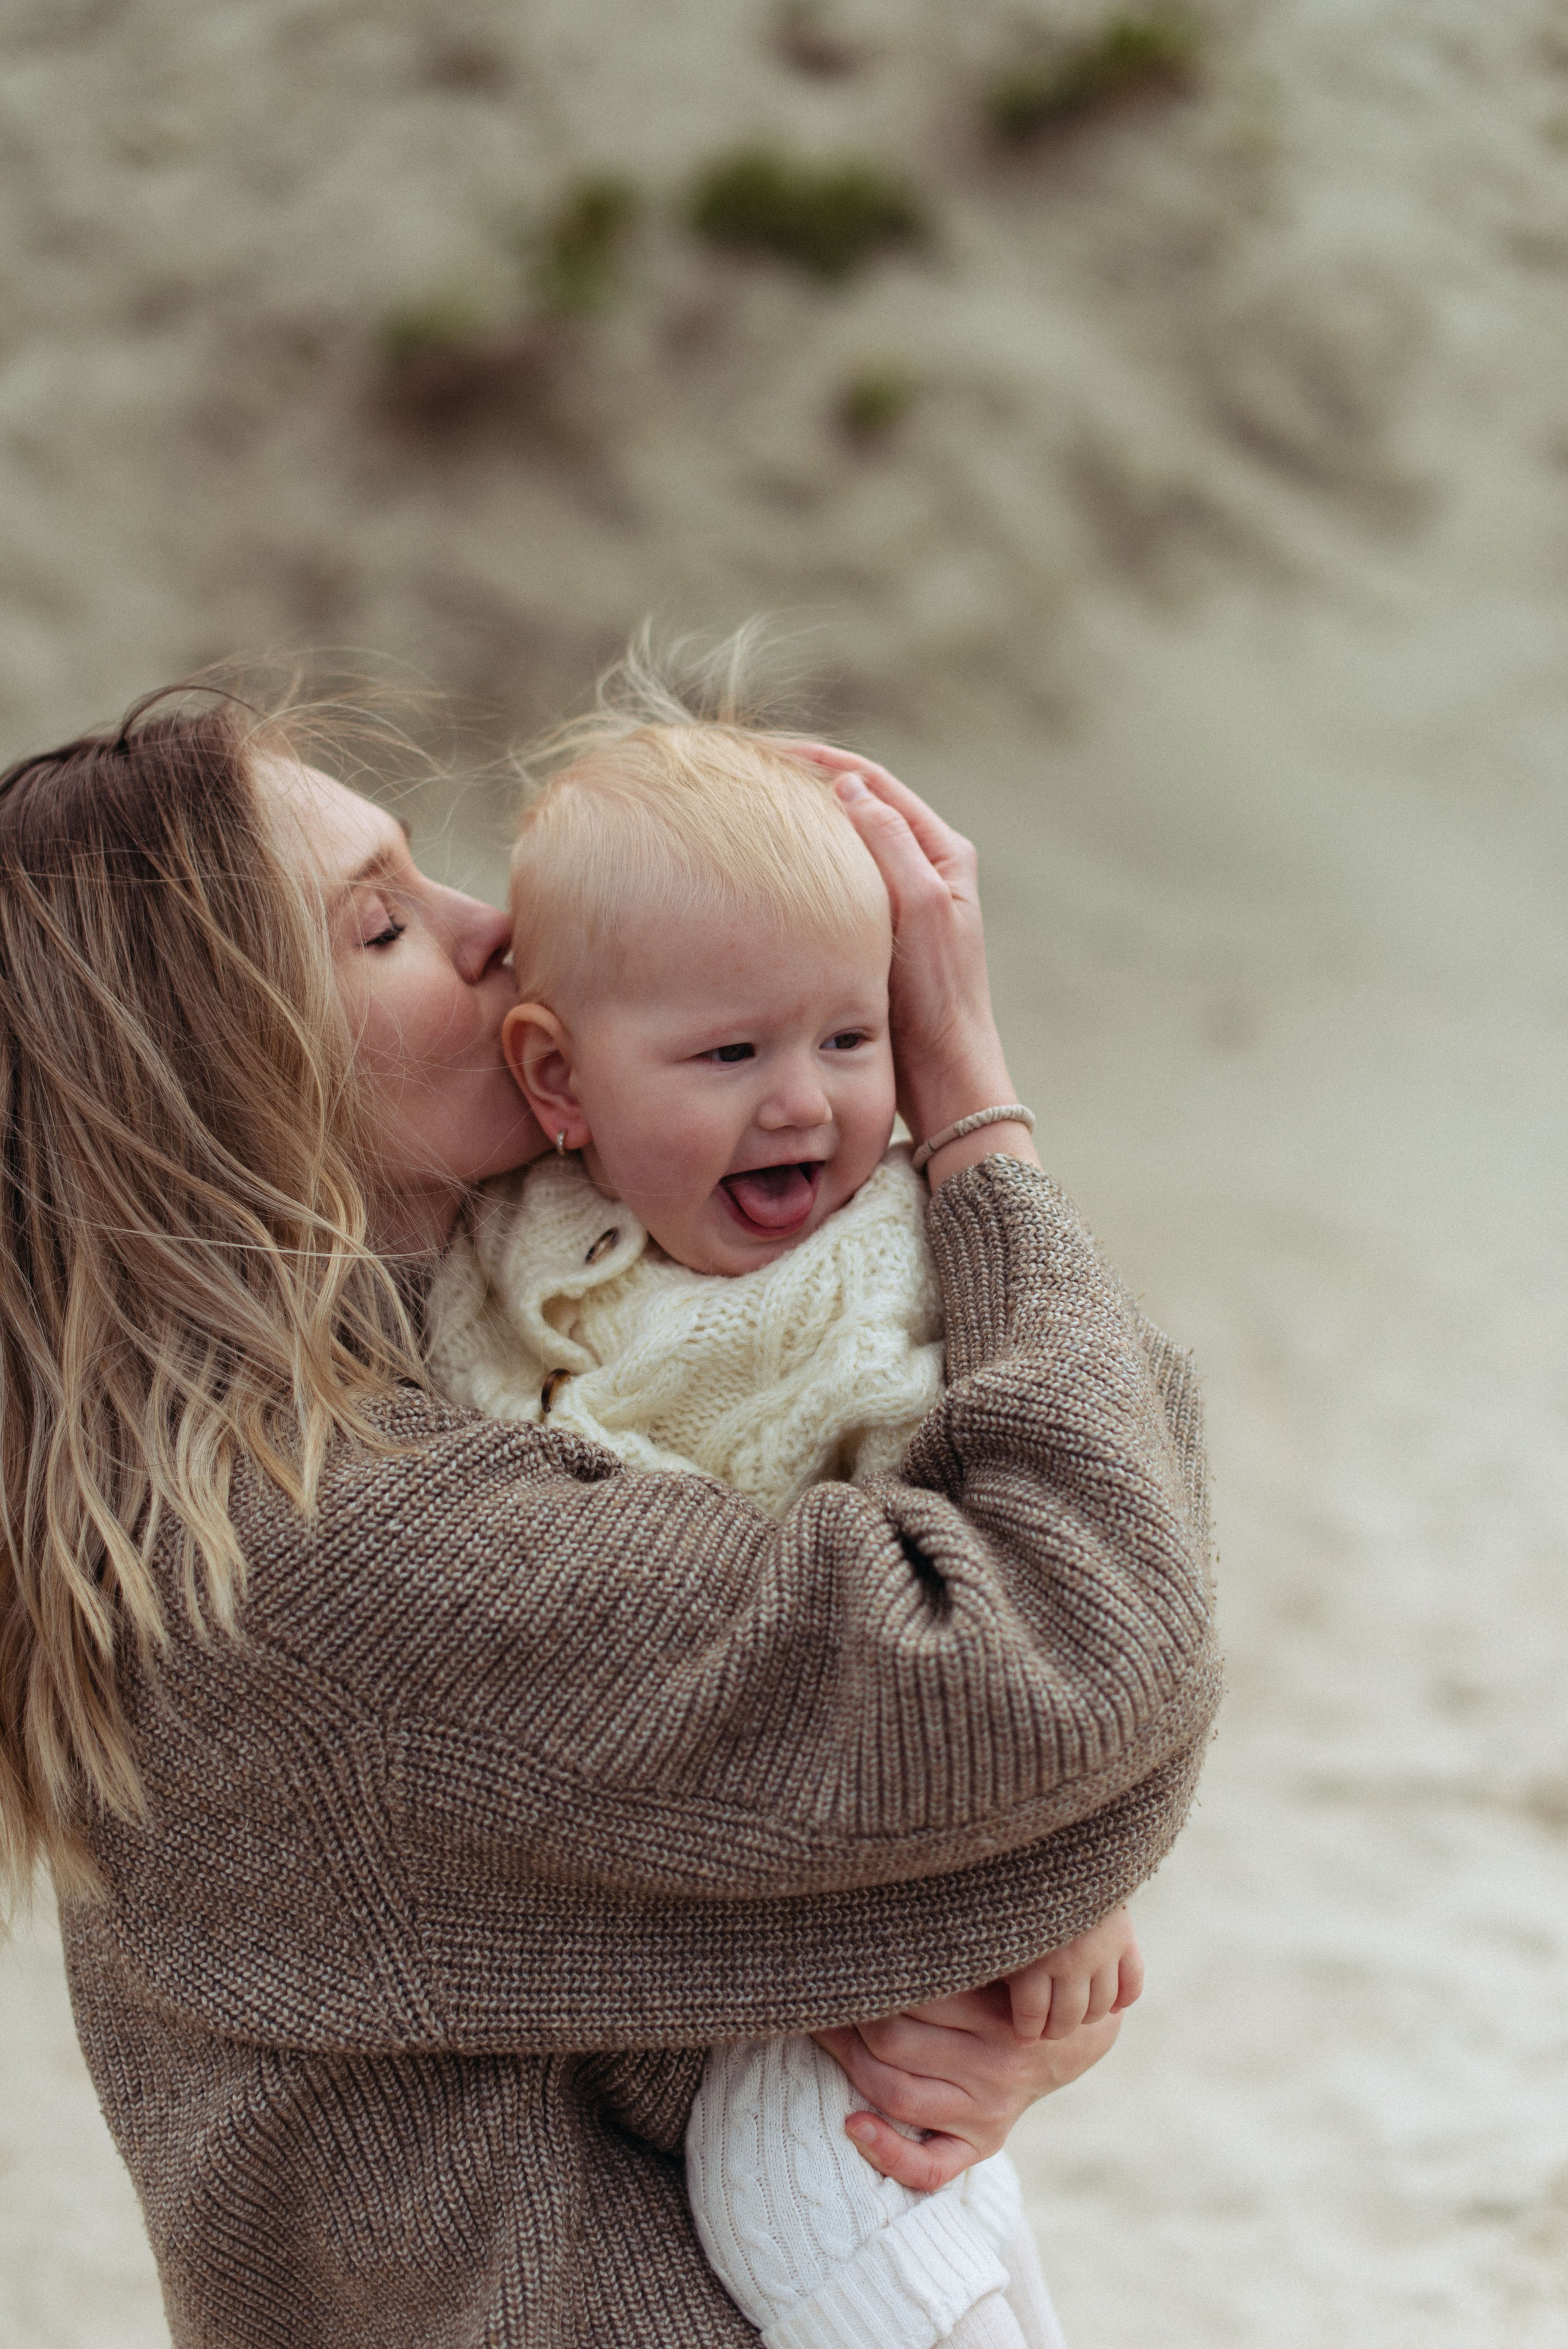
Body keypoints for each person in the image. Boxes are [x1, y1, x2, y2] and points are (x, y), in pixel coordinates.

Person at [0, 682, 1219, 2348]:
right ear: (225, 1078)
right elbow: (1073, 1641)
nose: (494, 930)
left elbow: (629, 1963)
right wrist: (969, 1107)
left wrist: (973, 1956)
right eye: (382, 926)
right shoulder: (330, 1560)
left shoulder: (375, 1422)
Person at [427, 662, 1150, 2345]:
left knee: (818, 2162)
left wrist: (1074, 1867)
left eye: (849, 1034)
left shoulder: (886, 1271)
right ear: (556, 1082)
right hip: (684, 1858)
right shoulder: (496, 1250)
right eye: (730, 1049)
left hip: (866, 1864)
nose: (805, 1100)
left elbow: (1048, 1585)